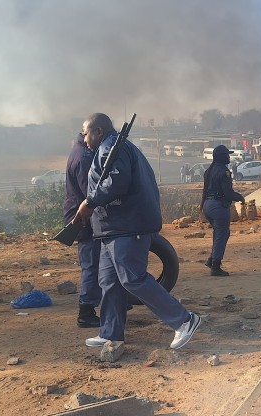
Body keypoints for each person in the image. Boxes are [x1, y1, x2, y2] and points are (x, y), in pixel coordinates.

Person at [75, 113, 202, 350]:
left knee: (133, 278)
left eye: (85, 133)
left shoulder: (112, 147)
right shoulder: (111, 147)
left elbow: (116, 182)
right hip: (111, 228)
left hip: (126, 226)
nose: (83, 139)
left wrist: (90, 202)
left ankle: (184, 320)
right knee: (109, 282)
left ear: (98, 131)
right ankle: (111, 333)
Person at [63, 132, 101, 328]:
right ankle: (86, 312)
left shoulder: (79, 152)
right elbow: (92, 193)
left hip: (81, 216)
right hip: (84, 218)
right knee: (91, 265)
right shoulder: (84, 158)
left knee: (94, 263)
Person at [201, 145, 246, 277]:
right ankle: (215, 266)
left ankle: (211, 259)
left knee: (219, 234)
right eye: (227, 155)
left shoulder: (209, 170)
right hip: (218, 207)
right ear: (221, 157)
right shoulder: (224, 172)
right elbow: (228, 193)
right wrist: (240, 198)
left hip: (207, 206)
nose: (229, 157)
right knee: (221, 235)